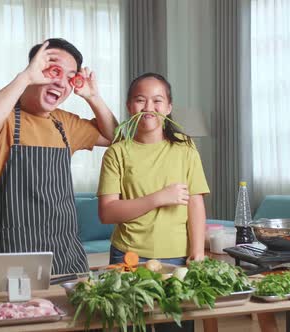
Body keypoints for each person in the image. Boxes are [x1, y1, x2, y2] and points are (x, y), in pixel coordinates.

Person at [0, 38, 118, 274]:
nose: (61, 82)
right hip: (16, 252)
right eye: (53, 70)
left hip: (66, 250)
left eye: (70, 76)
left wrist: (94, 97)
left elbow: (116, 137)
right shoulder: (7, 119)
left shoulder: (64, 123)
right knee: (19, 312)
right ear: (34, 70)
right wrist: (25, 77)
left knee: (77, 311)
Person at [97, 72, 209, 331]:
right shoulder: (118, 152)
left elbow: (195, 203)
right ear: (129, 106)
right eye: (140, 100)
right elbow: (107, 212)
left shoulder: (185, 147)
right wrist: (158, 198)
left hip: (178, 258)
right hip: (129, 256)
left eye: (157, 101)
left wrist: (198, 252)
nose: (149, 107)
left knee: (176, 327)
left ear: (168, 108)